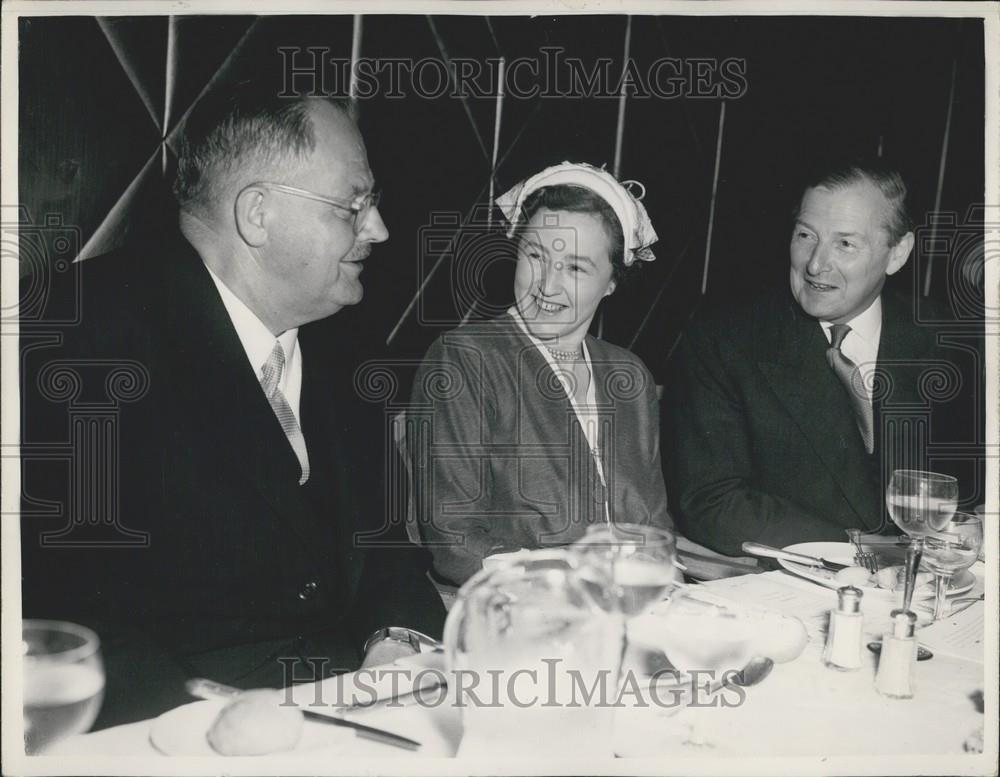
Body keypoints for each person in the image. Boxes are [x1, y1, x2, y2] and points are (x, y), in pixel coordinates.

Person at [20, 81, 446, 728]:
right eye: (352, 205)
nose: (378, 229)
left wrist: (398, 636)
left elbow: (386, 552)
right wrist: (207, 719)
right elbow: (47, 610)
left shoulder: (351, 347)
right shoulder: (68, 336)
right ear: (257, 214)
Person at [664, 158, 980, 556]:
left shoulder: (954, 341)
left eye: (845, 243)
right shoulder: (724, 340)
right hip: (791, 586)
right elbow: (711, 502)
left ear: (897, 253)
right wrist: (861, 550)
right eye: (805, 235)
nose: (815, 264)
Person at [407, 162, 671, 586]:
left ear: (611, 283)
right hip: (515, 613)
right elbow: (455, 541)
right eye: (535, 255)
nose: (547, 285)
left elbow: (655, 529)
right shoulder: (466, 360)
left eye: (576, 268)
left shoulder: (629, 375)